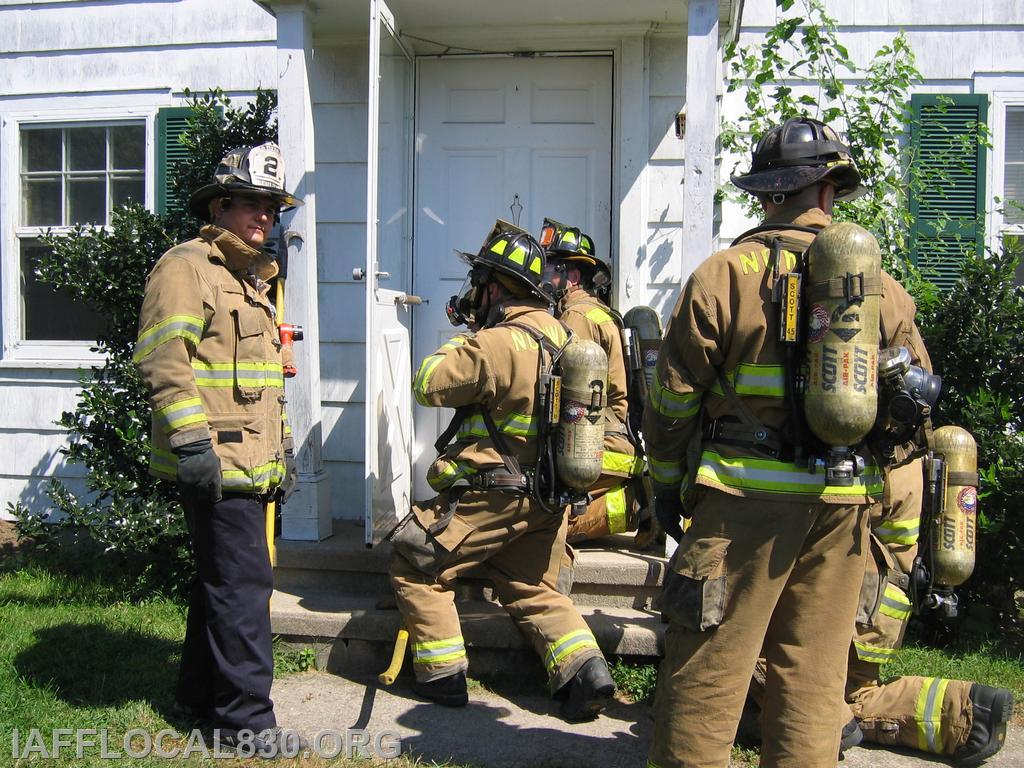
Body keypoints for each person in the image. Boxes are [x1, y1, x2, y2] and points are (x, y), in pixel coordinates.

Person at [645, 117, 931, 768]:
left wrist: (665, 483)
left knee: (710, 669)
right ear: (830, 193)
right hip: (843, 509)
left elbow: (672, 403)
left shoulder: (723, 276)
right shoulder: (882, 290)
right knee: (813, 679)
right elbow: (913, 405)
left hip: (744, 503)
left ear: (768, 194)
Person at [388, 220, 616, 721]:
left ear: (493, 287)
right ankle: (584, 671)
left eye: (479, 284)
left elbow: (428, 384)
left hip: (490, 499)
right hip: (549, 501)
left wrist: (460, 339)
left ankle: (443, 675)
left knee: (415, 562)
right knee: (531, 587)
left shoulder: (494, 342)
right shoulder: (566, 334)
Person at [133, 142, 302, 753]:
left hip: (249, 463)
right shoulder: (188, 268)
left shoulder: (247, 281)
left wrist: (281, 453)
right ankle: (246, 723)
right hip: (217, 460)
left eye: (272, 208)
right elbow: (162, 357)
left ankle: (199, 696)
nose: (265, 217)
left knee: (220, 582)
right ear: (221, 204)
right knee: (243, 589)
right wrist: (191, 443)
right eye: (252, 204)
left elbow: (261, 388)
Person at [743, 459, 1014, 766]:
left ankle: (829, 721)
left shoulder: (854, 439)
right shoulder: (906, 444)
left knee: (743, 642)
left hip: (847, 603)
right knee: (859, 690)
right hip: (880, 613)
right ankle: (968, 709)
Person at [538, 219, 647, 544]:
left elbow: (560, 389)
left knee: (542, 527)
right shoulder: (596, 311)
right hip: (609, 437)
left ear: (571, 276)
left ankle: (637, 504)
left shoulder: (576, 318)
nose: (542, 279)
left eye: (549, 271)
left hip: (598, 445)